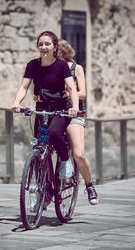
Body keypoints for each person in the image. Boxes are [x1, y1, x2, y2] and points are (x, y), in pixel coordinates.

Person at [36, 39, 99, 205]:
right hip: (55, 111)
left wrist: (69, 94)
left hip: (73, 112)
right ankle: (48, 186)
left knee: (78, 153)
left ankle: (89, 184)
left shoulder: (76, 68)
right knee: (43, 150)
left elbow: (83, 92)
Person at [11, 31, 79, 180]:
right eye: (40, 44)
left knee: (54, 134)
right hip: (41, 111)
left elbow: (72, 88)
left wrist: (75, 107)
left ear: (55, 47)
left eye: (47, 44)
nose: (43, 47)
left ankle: (65, 158)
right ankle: (45, 188)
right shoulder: (32, 65)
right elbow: (24, 87)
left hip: (60, 111)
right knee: (40, 147)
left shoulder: (61, 66)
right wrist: (16, 103)